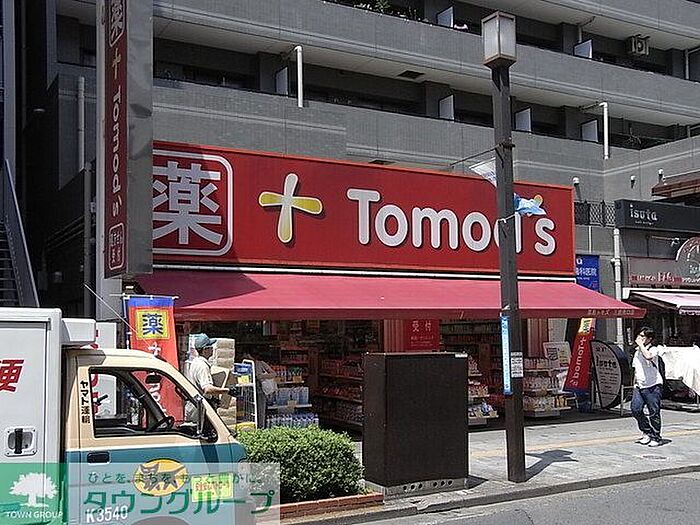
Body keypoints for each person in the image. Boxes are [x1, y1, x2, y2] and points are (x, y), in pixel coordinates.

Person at [185, 333, 238, 422]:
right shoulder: (202, 366)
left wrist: (213, 399)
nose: (212, 349)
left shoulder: (195, 362)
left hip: (194, 406)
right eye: (210, 347)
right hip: (201, 409)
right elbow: (207, 389)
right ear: (205, 350)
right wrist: (228, 390)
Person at [631, 327, 664, 447]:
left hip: (653, 385)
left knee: (653, 412)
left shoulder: (655, 349)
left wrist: (641, 345)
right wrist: (635, 384)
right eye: (639, 335)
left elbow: (649, 356)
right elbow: (636, 369)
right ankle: (647, 431)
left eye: (642, 336)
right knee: (636, 409)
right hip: (639, 385)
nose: (639, 338)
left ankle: (656, 437)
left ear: (649, 339)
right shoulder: (637, 351)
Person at [242, 353, 277, 428]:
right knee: (250, 410)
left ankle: (261, 427)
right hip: (249, 392)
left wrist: (262, 376)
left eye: (247, 356)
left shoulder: (261, 364)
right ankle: (252, 427)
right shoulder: (244, 365)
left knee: (261, 410)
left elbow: (274, 374)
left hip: (260, 390)